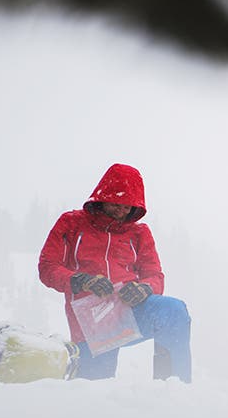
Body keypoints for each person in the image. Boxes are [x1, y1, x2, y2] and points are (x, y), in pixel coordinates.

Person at [39, 163, 191, 382]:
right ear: (104, 197)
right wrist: (82, 281)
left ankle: (172, 390)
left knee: (173, 312)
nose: (123, 211)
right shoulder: (71, 223)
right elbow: (47, 267)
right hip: (91, 321)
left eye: (129, 206)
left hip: (130, 310)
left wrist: (144, 288)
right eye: (118, 204)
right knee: (95, 393)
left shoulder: (139, 232)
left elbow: (155, 275)